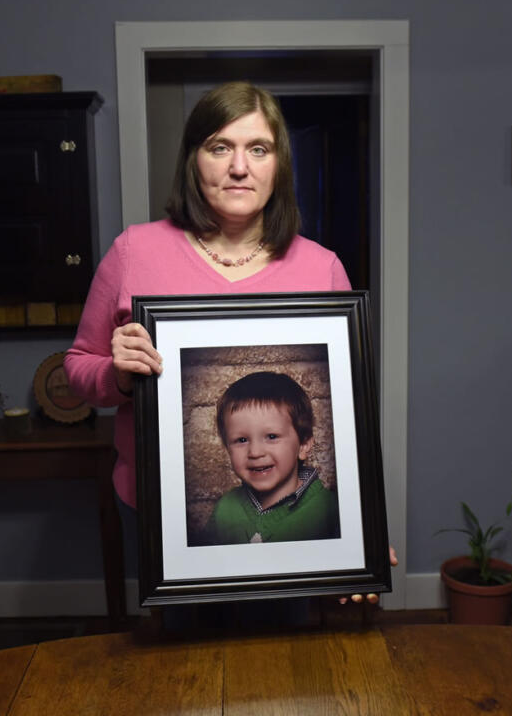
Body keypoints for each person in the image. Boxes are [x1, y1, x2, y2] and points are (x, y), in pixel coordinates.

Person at [64, 80, 394, 605]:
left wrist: (358, 536)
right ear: (195, 159)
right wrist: (117, 374)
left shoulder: (321, 266)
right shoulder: (134, 251)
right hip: (160, 519)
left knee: (293, 670)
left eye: (258, 149)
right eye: (220, 147)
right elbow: (78, 369)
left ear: (277, 166)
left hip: (298, 539)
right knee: (182, 672)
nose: (239, 167)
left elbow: (348, 416)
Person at [199, 371, 340, 546]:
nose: (255, 452)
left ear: (303, 445)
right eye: (241, 440)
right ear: (227, 448)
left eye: (272, 436)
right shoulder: (224, 509)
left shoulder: (332, 511)